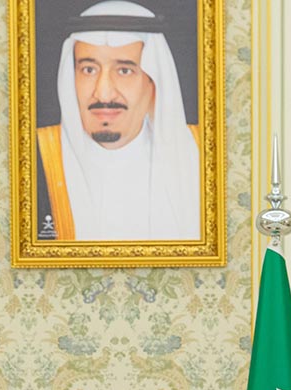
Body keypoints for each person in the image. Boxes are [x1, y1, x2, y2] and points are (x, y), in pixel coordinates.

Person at [35, 0, 200, 241]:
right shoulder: (33, 158)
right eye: (89, 69)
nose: (103, 94)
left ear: (153, 82)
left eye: (124, 71)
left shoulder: (204, 155)